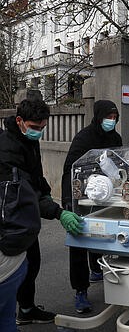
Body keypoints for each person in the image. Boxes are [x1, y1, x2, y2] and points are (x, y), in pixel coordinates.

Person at [0, 99, 82, 326]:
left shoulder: (27, 140)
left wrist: (47, 194)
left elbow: (36, 176)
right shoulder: (6, 147)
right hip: (10, 216)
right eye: (35, 127)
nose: (39, 132)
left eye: (42, 127)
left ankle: (26, 309)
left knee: (32, 262)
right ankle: (12, 312)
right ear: (20, 121)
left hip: (24, 215)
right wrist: (57, 212)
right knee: (14, 269)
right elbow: (24, 190)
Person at [61, 100, 122, 314]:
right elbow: (69, 168)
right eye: (108, 117)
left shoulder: (115, 137)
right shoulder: (84, 138)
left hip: (105, 197)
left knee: (101, 234)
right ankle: (80, 291)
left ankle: (97, 268)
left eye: (114, 118)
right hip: (82, 196)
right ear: (98, 116)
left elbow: (119, 163)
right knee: (79, 240)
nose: (111, 121)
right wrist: (69, 202)